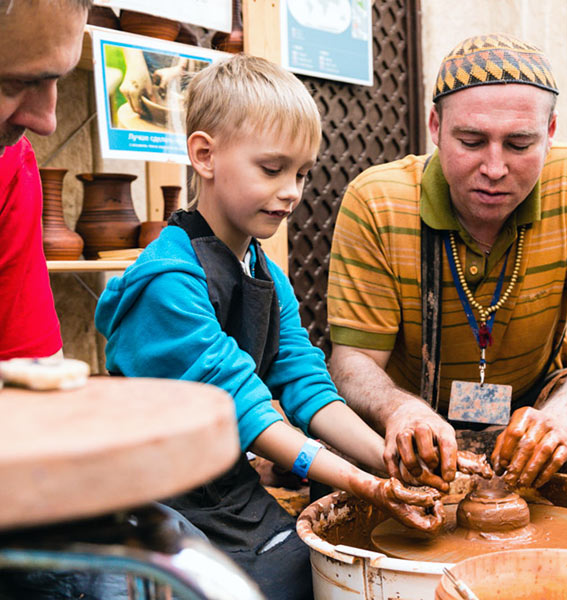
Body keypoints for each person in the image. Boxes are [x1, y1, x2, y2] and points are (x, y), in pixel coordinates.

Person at [94, 54, 461, 600]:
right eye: (272, 169)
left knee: (299, 569)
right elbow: (241, 404)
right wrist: (367, 486)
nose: (292, 191)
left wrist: (387, 459)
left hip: (218, 482)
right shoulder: (167, 281)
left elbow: (308, 387)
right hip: (144, 488)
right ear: (204, 155)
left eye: (303, 174)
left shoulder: (266, 274)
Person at [327, 34, 567, 494]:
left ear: (551, 132)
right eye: (472, 141)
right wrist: (401, 411)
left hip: (535, 406)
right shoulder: (376, 201)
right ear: (435, 126)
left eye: (519, 144)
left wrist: (560, 421)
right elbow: (353, 361)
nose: (495, 168)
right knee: (338, 473)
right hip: (413, 417)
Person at [0, 0, 90, 360]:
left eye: (56, 80)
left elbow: (32, 374)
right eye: (16, 83)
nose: (47, 122)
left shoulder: (11, 168)